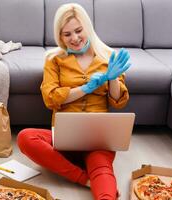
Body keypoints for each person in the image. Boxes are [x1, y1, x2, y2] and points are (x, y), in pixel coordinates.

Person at [17, 3, 131, 200]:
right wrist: (85, 88)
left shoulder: (107, 57)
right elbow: (50, 98)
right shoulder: (54, 59)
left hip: (98, 140)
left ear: (88, 27)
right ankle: (84, 179)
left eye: (79, 31)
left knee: (103, 171)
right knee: (25, 137)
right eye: (67, 34)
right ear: (60, 36)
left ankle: (96, 180)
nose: (75, 38)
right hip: (63, 140)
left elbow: (118, 102)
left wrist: (112, 78)